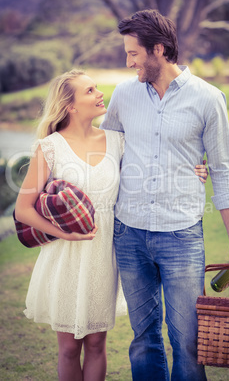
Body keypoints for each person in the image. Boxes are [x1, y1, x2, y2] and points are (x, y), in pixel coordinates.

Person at [100, 10, 229, 380]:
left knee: (187, 340)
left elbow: (222, 170)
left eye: (133, 53)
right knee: (143, 338)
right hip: (130, 232)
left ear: (159, 49)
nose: (128, 61)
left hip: (181, 235)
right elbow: (105, 154)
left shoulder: (208, 98)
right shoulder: (123, 94)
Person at [14, 69, 128, 381]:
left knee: (96, 343)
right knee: (67, 348)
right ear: (71, 106)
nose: (99, 93)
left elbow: (157, 169)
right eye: (90, 90)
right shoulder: (50, 147)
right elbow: (23, 209)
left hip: (105, 255)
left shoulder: (118, 141)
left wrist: (195, 169)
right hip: (65, 256)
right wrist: (65, 233)